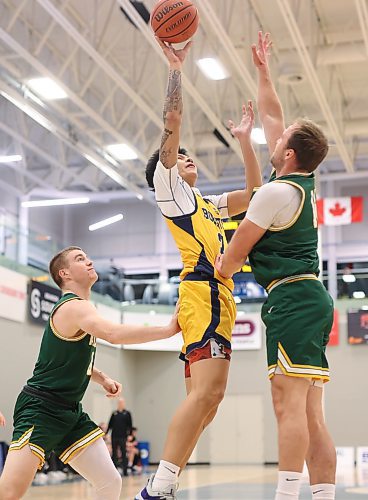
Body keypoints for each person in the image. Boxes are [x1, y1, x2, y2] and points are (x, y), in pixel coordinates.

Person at [135, 37, 262, 500]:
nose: (187, 157)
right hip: (202, 295)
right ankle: (159, 484)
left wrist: (246, 142)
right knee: (207, 395)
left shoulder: (205, 203)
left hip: (219, 298)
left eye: (189, 155)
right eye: (179, 155)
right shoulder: (169, 190)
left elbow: (254, 196)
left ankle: (164, 484)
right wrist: (175, 68)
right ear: (165, 171)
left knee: (207, 403)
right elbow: (172, 121)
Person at [215, 32, 336, 500]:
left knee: (287, 406)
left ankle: (287, 495)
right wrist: (264, 70)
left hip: (291, 299)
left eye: (279, 139)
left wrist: (211, 263)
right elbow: (272, 114)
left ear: (288, 155)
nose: (275, 134)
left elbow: (232, 258)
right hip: (307, 297)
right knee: (309, 413)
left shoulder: (273, 193)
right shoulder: (295, 181)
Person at [0, 246, 180, 500]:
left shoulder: (82, 309)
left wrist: (102, 377)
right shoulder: (74, 307)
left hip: (70, 412)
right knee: (9, 494)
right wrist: (168, 330)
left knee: (109, 481)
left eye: (86, 257)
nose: (89, 261)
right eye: (80, 259)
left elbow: (68, 359)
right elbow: (114, 334)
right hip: (41, 410)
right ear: (65, 273)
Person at [107, 397, 132, 475]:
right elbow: (110, 424)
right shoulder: (114, 413)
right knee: (114, 454)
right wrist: (106, 433)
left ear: (124, 404)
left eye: (122, 402)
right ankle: (114, 471)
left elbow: (130, 425)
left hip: (123, 436)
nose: (120, 404)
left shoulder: (127, 413)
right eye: (119, 403)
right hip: (114, 436)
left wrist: (130, 435)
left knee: (123, 453)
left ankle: (125, 471)